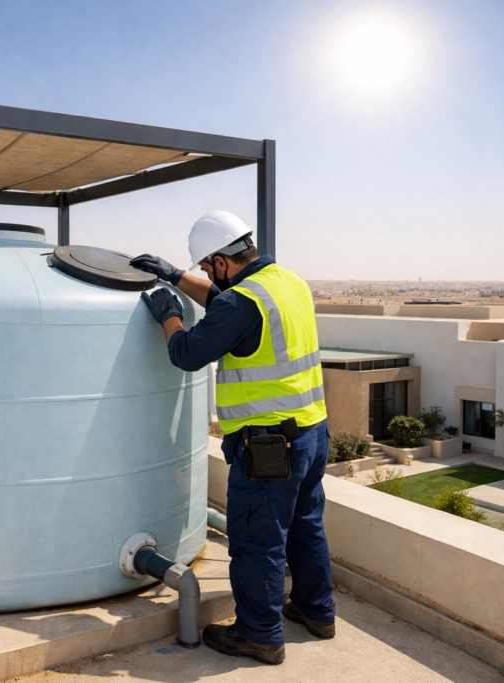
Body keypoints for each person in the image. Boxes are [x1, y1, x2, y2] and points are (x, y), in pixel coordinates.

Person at [131, 211, 335, 666]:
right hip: (312, 432)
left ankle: (259, 635)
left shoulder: (238, 304)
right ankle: (316, 611)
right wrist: (176, 275)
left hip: (268, 447)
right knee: (305, 525)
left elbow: (186, 353)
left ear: (222, 262)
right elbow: (230, 300)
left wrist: (169, 316)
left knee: (257, 539)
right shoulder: (289, 282)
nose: (205, 275)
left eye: (205, 267)